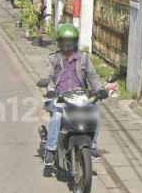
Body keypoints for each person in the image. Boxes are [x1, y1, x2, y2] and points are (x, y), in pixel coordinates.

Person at [42, 23, 107, 164]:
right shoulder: (53, 58)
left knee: (95, 113)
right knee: (57, 116)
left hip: (80, 97)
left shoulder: (83, 58)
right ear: (59, 42)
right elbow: (49, 78)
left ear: (76, 42)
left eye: (71, 41)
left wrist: (99, 90)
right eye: (64, 41)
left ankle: (93, 146)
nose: (68, 44)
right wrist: (51, 92)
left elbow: (92, 77)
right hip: (60, 98)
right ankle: (50, 149)